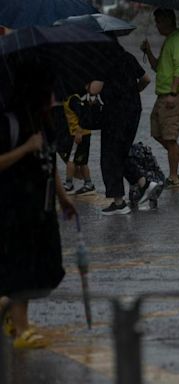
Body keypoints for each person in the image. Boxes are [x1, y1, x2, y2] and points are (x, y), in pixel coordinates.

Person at [0, 60, 76, 349]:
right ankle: (21, 330)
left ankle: (8, 307)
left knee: (48, 268)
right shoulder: (9, 121)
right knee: (23, 269)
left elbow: (50, 160)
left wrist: (63, 196)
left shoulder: (44, 120)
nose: (52, 96)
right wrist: (24, 148)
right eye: (47, 89)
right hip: (13, 206)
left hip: (41, 206)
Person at [90, 35, 151, 215]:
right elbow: (146, 79)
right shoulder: (128, 57)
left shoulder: (104, 62)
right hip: (133, 110)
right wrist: (132, 92)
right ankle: (144, 183)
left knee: (110, 155)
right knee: (121, 152)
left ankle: (119, 202)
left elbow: (95, 89)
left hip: (114, 114)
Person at [141, 8, 179, 189]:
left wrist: (173, 94)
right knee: (158, 133)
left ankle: (174, 176)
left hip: (173, 96)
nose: (157, 26)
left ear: (167, 20)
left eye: (158, 22)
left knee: (170, 138)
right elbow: (158, 67)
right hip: (163, 95)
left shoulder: (178, 40)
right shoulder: (170, 40)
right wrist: (148, 51)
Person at [55, 93, 95, 196]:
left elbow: (82, 114)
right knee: (82, 161)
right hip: (85, 133)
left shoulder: (72, 99)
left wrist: (79, 131)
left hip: (78, 134)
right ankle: (88, 183)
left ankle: (69, 184)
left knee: (71, 159)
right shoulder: (72, 98)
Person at [126, 142, 165, 211]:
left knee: (135, 176)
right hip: (159, 179)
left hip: (144, 182)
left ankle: (135, 203)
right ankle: (152, 204)